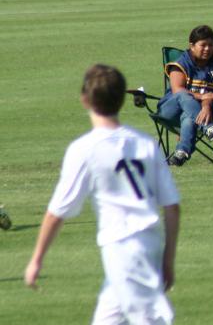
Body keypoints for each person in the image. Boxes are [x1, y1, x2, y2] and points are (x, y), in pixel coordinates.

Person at [24, 64, 180, 324]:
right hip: (150, 243)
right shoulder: (145, 143)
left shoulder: (84, 148)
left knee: (149, 319)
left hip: (123, 246)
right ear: (122, 99)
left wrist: (36, 260)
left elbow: (56, 212)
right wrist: (167, 257)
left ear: (85, 100)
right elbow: (172, 207)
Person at [158, 24, 213, 166]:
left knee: (189, 117)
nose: (207, 49)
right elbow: (177, 90)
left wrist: (206, 105)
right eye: (203, 45)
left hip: (200, 113)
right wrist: (203, 98)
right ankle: (208, 127)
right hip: (170, 111)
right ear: (192, 45)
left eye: (211, 45)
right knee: (183, 96)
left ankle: (180, 154)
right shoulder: (181, 63)